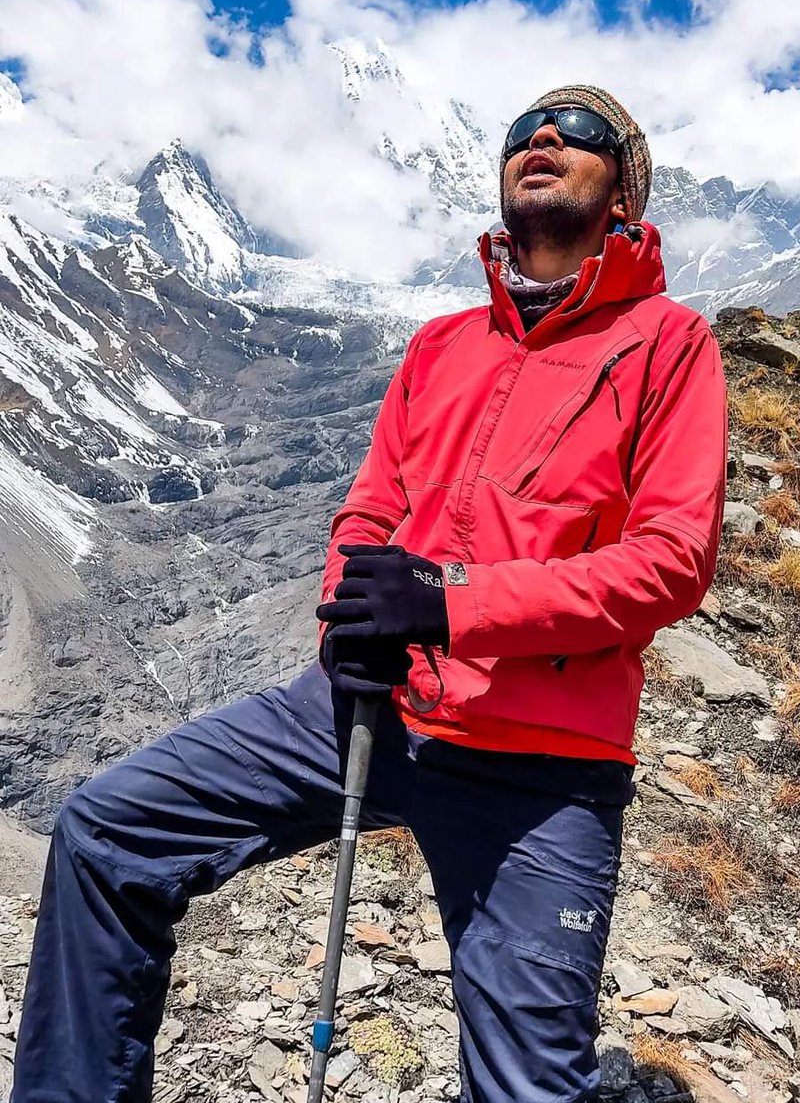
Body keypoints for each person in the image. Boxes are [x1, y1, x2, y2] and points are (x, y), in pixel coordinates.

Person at [11, 85, 727, 1103]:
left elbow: (670, 562)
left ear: (625, 190)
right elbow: (371, 510)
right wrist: (347, 619)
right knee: (107, 834)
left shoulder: (669, 346)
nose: (546, 139)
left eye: (581, 133)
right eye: (526, 129)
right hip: (368, 708)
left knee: (531, 1086)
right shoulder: (442, 346)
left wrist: (452, 600)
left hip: (541, 765)